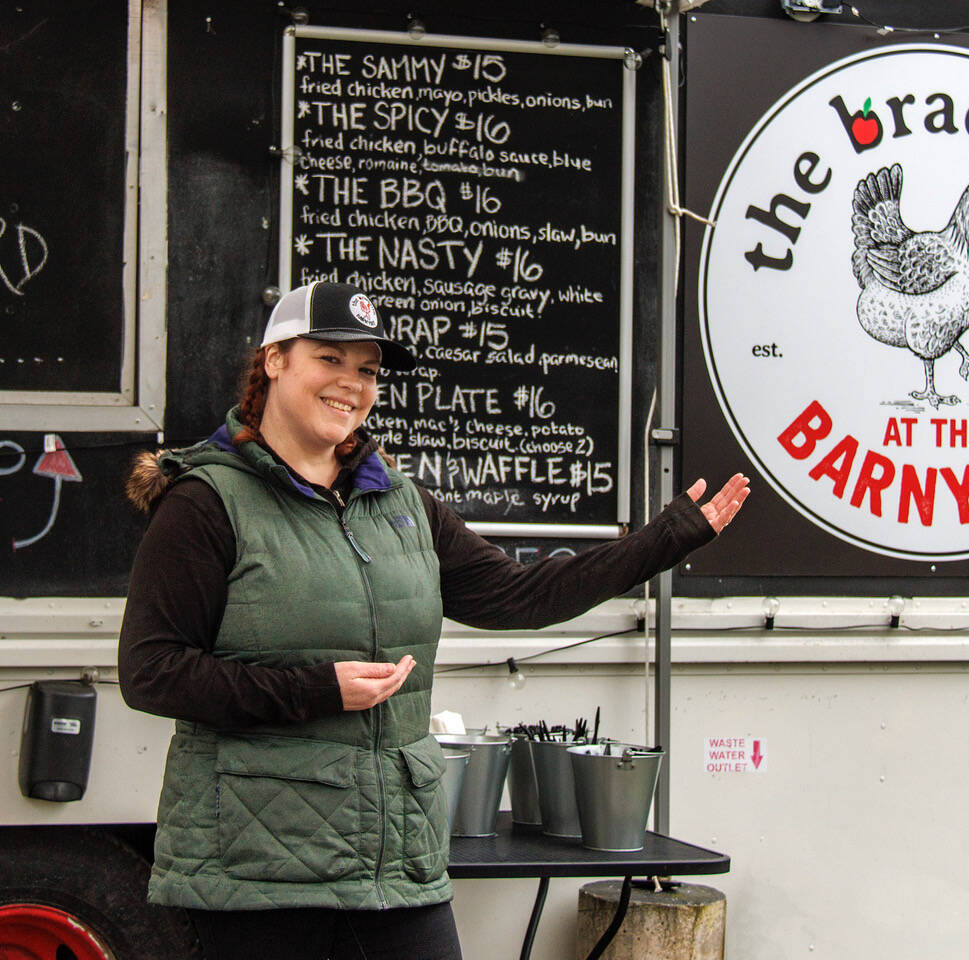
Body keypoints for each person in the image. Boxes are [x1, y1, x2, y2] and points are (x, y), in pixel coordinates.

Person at [118, 281, 749, 960]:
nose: (352, 385)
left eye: (367, 370)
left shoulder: (402, 504)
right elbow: (151, 673)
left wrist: (665, 538)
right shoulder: (206, 502)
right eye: (330, 359)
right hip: (258, 873)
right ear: (275, 360)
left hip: (398, 867)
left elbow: (519, 596)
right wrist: (315, 690)